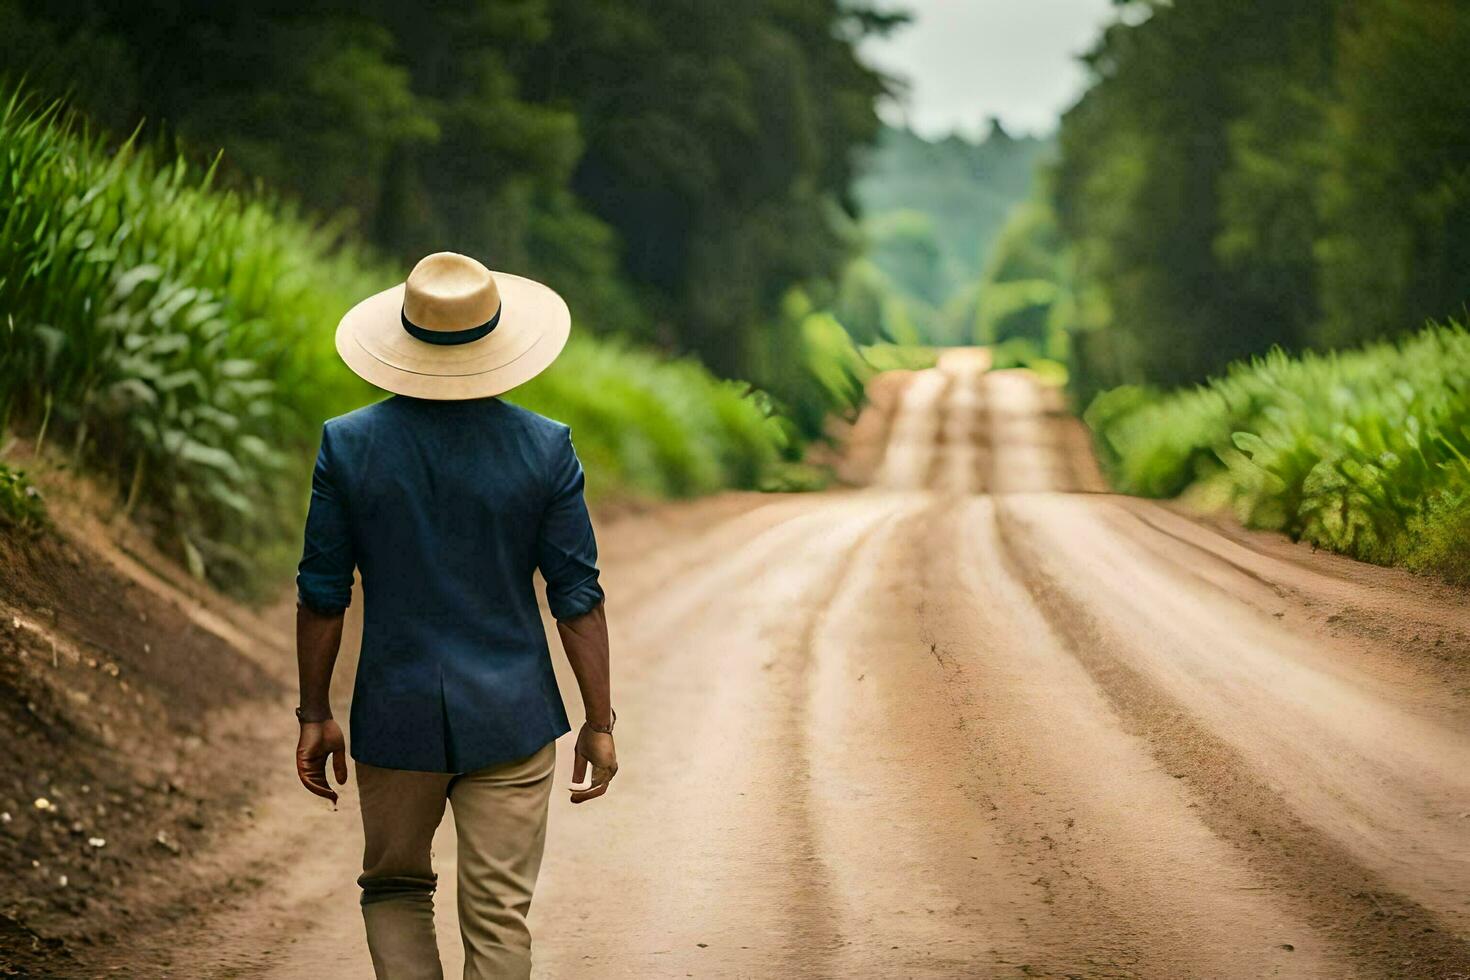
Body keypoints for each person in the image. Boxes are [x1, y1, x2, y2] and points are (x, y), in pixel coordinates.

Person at [292, 251, 617, 979]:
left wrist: (315, 712)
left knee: (396, 888)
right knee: (498, 910)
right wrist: (598, 722)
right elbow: (577, 596)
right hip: (513, 716)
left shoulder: (348, 446)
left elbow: (322, 591)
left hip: (395, 711)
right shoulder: (544, 446)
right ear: (496, 341)